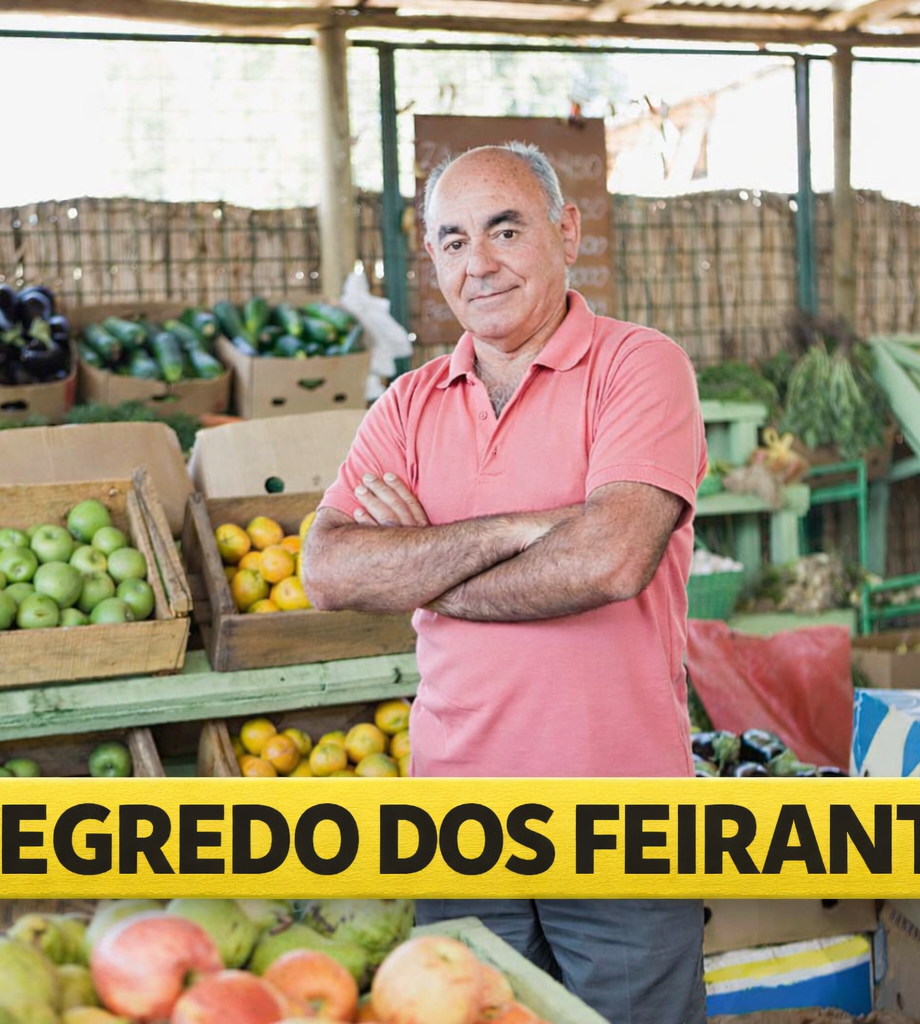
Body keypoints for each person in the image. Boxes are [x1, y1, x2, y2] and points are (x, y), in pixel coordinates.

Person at [302, 141, 708, 1024]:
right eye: (453, 241)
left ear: (567, 233)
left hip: (618, 819)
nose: (478, 263)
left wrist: (422, 566)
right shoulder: (408, 403)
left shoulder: (639, 367)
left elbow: (609, 559)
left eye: (505, 230)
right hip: (456, 821)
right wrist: (523, 529)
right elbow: (326, 569)